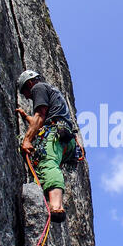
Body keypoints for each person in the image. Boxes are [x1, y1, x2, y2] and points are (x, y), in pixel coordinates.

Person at [16, 70, 76, 223]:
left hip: (56, 134)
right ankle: (44, 197)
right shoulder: (51, 92)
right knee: (44, 166)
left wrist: (27, 139)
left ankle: (56, 207)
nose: (28, 97)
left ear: (29, 83)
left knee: (48, 162)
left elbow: (40, 117)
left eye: (25, 93)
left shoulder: (39, 88)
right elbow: (41, 118)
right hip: (64, 138)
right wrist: (25, 116)